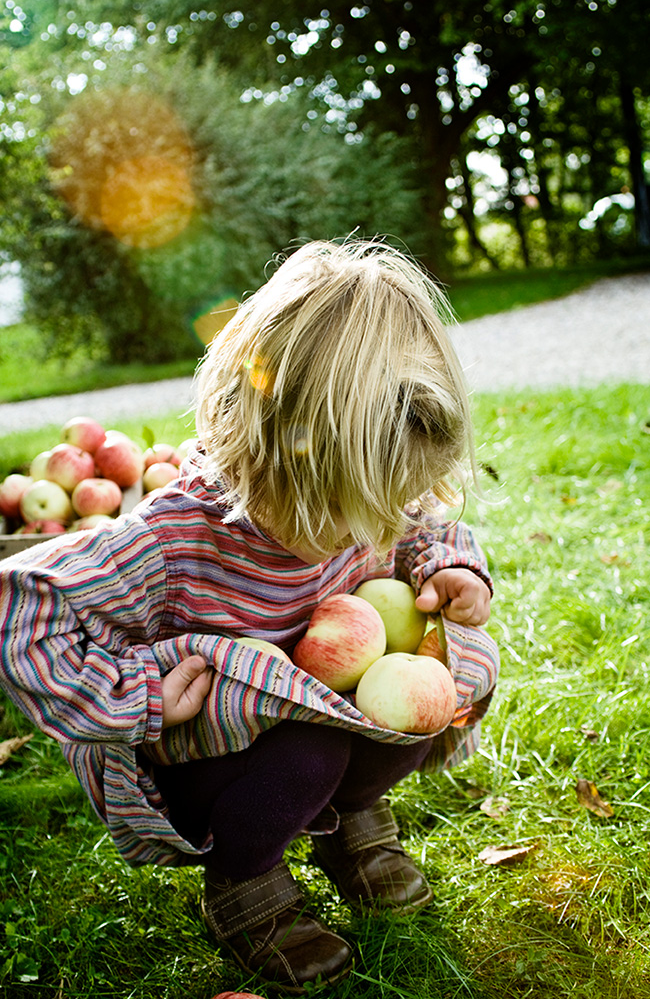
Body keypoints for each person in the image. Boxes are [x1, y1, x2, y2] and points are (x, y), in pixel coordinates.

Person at [0, 239, 499, 993]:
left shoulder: (368, 496)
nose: (366, 532)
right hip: (219, 752)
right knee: (309, 756)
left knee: (434, 690)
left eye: (382, 507)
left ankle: (349, 822)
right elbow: (23, 611)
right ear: (264, 451)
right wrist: (137, 695)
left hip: (328, 706)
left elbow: (422, 517)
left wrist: (450, 568)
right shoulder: (174, 538)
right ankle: (246, 883)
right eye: (345, 511)